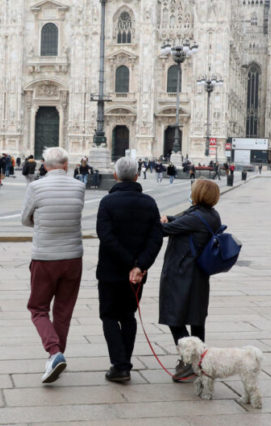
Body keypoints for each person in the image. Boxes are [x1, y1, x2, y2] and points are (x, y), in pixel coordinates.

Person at [21, 146, 86, 384]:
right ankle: (57, 355)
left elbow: (24, 219)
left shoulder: (35, 187)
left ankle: (54, 352)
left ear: (45, 165)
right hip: (72, 258)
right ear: (66, 165)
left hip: (45, 257)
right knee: (63, 311)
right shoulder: (79, 187)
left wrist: (41, 225)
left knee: (38, 308)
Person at [95, 156, 163, 383]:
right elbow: (156, 239)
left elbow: (106, 237)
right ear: (137, 176)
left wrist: (129, 264)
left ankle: (120, 366)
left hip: (111, 272)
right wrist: (139, 266)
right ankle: (123, 364)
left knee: (109, 316)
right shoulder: (149, 203)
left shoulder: (107, 203)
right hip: (137, 276)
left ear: (115, 176)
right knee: (128, 316)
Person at [158, 179, 222, 382]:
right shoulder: (210, 214)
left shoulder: (196, 217)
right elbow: (178, 220)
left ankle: (190, 362)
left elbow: (164, 230)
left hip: (182, 273)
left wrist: (158, 221)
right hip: (198, 274)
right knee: (196, 319)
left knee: (174, 317)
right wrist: (168, 218)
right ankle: (200, 361)